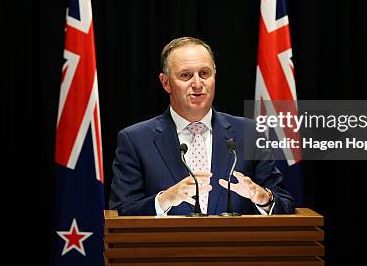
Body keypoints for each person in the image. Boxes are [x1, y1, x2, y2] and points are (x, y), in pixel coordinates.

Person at [109, 37, 296, 215]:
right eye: (186, 75)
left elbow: (285, 204)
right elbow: (122, 211)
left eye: (204, 73)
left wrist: (263, 197)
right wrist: (164, 200)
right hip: (167, 248)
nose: (197, 84)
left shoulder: (249, 133)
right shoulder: (135, 140)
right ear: (166, 83)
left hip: (236, 247)